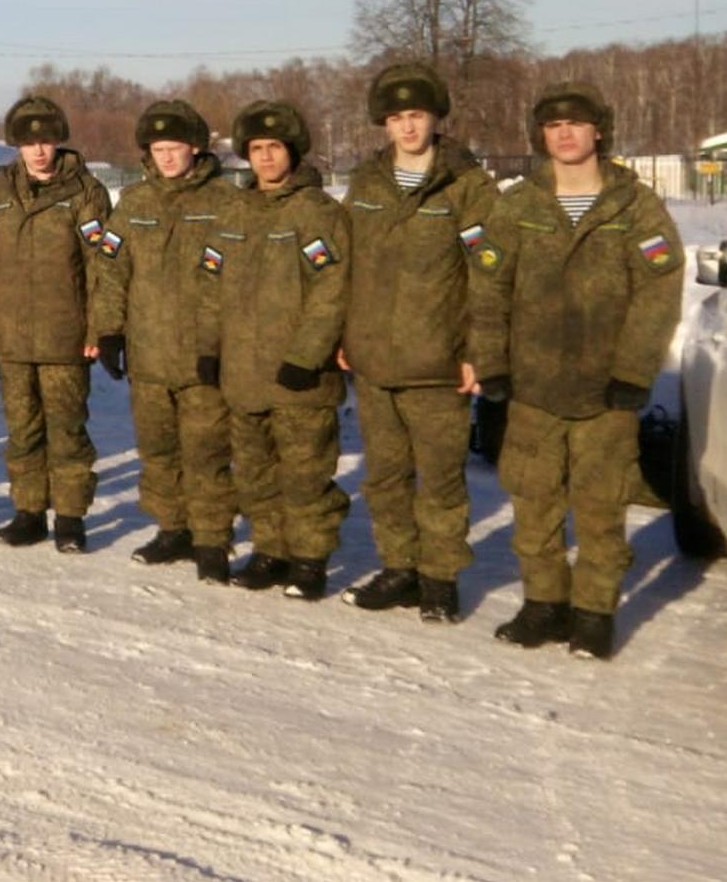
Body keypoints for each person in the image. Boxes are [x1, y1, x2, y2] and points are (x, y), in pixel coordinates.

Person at [472, 84, 684, 660]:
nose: (565, 133)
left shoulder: (635, 208)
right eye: (553, 125)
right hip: (533, 388)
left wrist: (635, 370)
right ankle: (544, 604)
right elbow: (489, 288)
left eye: (577, 123)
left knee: (601, 505)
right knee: (533, 502)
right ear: (541, 136)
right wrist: (491, 362)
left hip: (606, 391)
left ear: (598, 132)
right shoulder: (517, 207)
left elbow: (658, 293)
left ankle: (593, 612)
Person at [339, 62, 496, 622]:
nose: (407, 128)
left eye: (417, 115)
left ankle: (440, 578)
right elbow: (345, 265)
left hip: (439, 361)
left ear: (435, 118)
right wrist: (342, 334)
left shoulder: (467, 187)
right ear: (384, 123)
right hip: (373, 360)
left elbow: (488, 273)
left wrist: (480, 348)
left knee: (441, 479)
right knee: (384, 475)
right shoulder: (366, 184)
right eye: (397, 117)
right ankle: (400, 567)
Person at [197, 100, 350, 599]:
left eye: (274, 148)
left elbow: (333, 290)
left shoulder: (316, 213)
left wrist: (307, 356)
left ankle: (309, 559)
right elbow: (211, 286)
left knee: (306, 474)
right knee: (257, 471)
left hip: (299, 377)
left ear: (293, 151)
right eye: (256, 149)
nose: (265, 158)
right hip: (243, 373)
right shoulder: (233, 213)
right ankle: (271, 550)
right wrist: (210, 349)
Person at [88, 100, 236, 579]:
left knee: (206, 451)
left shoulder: (226, 202)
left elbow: (239, 281)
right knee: (158, 448)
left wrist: (224, 344)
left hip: (203, 356)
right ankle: (172, 528)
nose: (168, 157)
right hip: (149, 352)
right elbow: (111, 270)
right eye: (159, 149)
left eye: (175, 148)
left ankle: (211, 538)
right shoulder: (134, 203)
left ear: (195, 147)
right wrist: (109, 330)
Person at [0, 95, 112, 553]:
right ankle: (30, 511)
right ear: (16, 145)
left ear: (58, 141)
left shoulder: (85, 192)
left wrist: (99, 328)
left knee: (67, 429)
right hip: (13, 333)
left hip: (65, 334)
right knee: (22, 429)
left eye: (46, 141)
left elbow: (102, 267)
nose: (38, 151)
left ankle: (71, 517)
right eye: (29, 142)